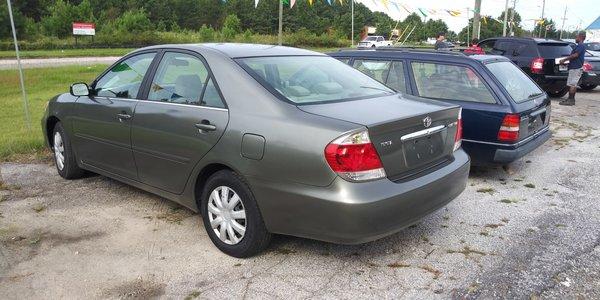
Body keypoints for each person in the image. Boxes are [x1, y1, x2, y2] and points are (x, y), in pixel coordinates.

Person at [559, 31, 587, 106]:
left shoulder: (581, 46)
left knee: (572, 84)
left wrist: (565, 59)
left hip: (576, 68)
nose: (575, 38)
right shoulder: (578, 46)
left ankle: (571, 100)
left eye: (576, 37)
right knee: (570, 83)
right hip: (573, 67)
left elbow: (575, 55)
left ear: (580, 37)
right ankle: (570, 99)